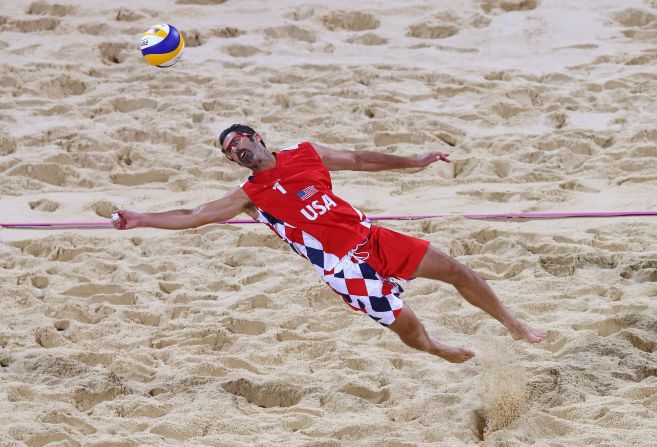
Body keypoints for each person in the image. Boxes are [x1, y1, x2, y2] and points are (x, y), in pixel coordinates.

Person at [112, 124, 547, 363]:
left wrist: (415, 161)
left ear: (257, 136)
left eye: (238, 141)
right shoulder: (250, 195)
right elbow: (194, 217)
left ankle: (514, 323)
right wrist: (141, 218)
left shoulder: (306, 152)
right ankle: (436, 349)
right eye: (229, 152)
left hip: (372, 237)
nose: (236, 151)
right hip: (344, 270)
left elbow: (360, 160)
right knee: (410, 328)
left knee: (456, 270)